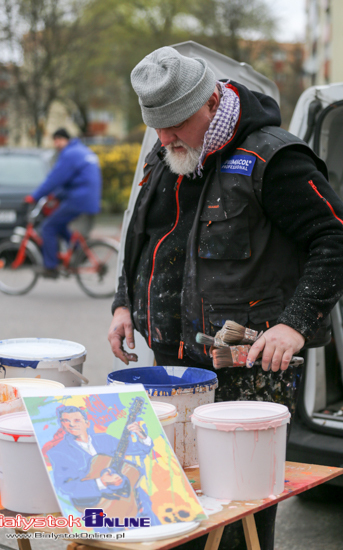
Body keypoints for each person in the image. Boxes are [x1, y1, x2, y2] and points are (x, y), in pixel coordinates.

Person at [108, 47, 343, 549]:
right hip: (173, 370)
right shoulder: (167, 151)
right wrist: (123, 303)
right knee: (176, 511)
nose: (165, 138)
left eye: (175, 124)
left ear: (211, 102)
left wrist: (295, 323)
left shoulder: (273, 157)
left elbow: (334, 239)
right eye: (157, 126)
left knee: (237, 523)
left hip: (247, 373)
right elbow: (143, 237)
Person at [47, 405, 157, 524]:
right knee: (109, 538)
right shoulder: (58, 452)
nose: (71, 424)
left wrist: (142, 436)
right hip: (93, 504)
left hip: (126, 497)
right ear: (61, 424)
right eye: (66, 421)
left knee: (147, 512)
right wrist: (101, 482)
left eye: (76, 420)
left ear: (87, 423)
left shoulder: (105, 439)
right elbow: (65, 486)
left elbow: (139, 449)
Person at [24, 128, 102, 278]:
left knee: (48, 227)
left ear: (67, 140)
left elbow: (54, 179)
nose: (56, 144)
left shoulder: (69, 154)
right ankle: (79, 251)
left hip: (79, 199)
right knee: (58, 224)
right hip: (87, 198)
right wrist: (56, 196)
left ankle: (51, 267)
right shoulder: (81, 150)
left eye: (59, 140)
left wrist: (34, 197)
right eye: (55, 140)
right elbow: (72, 180)